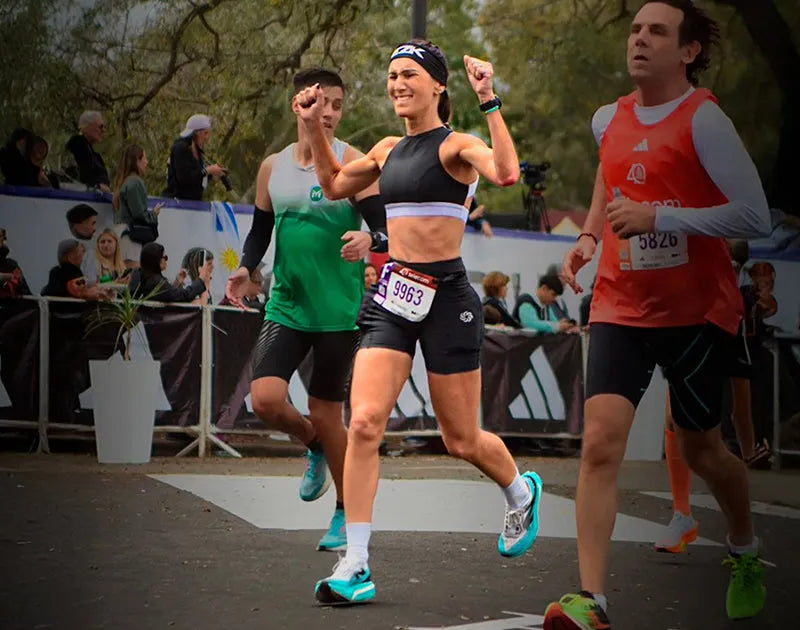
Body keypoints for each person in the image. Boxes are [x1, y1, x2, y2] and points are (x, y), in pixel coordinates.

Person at [544, 2, 771, 627]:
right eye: (636, 29)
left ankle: (744, 545)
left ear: (689, 52)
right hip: (621, 300)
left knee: (704, 452)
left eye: (658, 32)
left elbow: (756, 217)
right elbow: (609, 174)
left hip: (696, 311)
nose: (640, 40)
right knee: (599, 445)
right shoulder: (606, 119)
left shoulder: (706, 123)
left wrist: (660, 217)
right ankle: (593, 600)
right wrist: (592, 236)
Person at [295, 41, 543, 605]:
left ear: (437, 85)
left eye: (408, 74)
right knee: (364, 423)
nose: (397, 83)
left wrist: (490, 100)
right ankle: (355, 562)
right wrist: (313, 127)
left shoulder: (459, 146)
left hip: (448, 299)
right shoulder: (385, 150)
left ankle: (519, 491)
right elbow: (335, 184)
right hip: (394, 296)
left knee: (461, 439)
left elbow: (506, 173)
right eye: (390, 76)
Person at [225, 67, 390, 557]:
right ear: (300, 105)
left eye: (338, 105)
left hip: (337, 312)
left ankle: (344, 509)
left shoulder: (354, 163)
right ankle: (312, 443)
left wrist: (369, 239)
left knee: (327, 410)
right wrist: (247, 267)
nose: (331, 114)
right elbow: (260, 230)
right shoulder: (272, 167)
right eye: (323, 104)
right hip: (286, 304)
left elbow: (384, 228)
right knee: (266, 400)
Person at [655, 238, 770, 555]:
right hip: (694, 333)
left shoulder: (741, 299)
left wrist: (748, 447)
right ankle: (682, 515)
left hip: (724, 337)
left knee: (716, 443)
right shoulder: (695, 278)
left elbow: (741, 387)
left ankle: (741, 530)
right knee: (672, 418)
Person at [113, 145, 163, 269]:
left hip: (125, 236)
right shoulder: (135, 183)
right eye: (145, 158)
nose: (147, 162)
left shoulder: (125, 182)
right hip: (132, 238)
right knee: (134, 276)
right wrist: (153, 214)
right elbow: (138, 214)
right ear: (137, 160)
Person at [164, 114, 228, 201]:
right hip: (177, 203)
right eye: (205, 133)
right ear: (196, 133)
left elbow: (198, 178)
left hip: (194, 203)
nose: (207, 138)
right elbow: (185, 179)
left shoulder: (198, 150)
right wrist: (208, 170)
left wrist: (212, 174)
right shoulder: (180, 148)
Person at [129, 242, 211, 303]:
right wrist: (201, 280)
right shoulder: (155, 282)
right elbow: (183, 296)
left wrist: (177, 283)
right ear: (156, 259)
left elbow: (169, 294)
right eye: (165, 257)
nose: (166, 260)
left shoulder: (140, 274)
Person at [65, 111, 110, 192]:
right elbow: (81, 176)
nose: (103, 130)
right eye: (101, 126)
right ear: (86, 126)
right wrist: (97, 186)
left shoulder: (96, 156)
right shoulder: (77, 143)